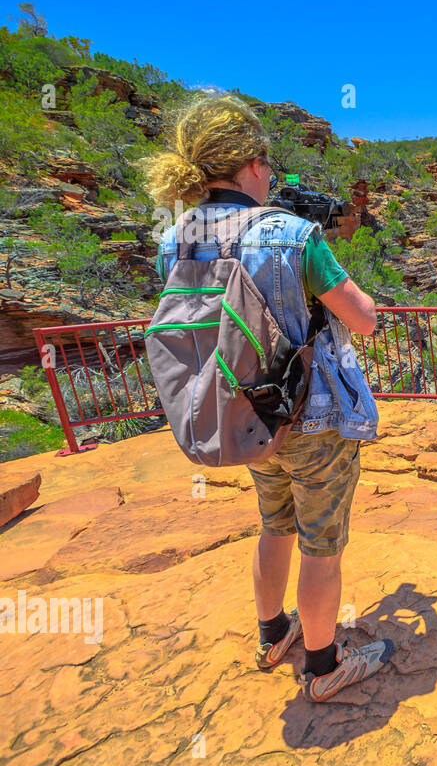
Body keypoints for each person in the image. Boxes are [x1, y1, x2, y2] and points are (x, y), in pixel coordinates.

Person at [144, 95, 392, 702]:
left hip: (245, 417)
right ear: (253, 163)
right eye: (267, 163)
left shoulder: (174, 236)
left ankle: (272, 632)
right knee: (322, 547)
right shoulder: (290, 235)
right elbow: (363, 320)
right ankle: (324, 666)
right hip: (311, 417)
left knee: (273, 525)